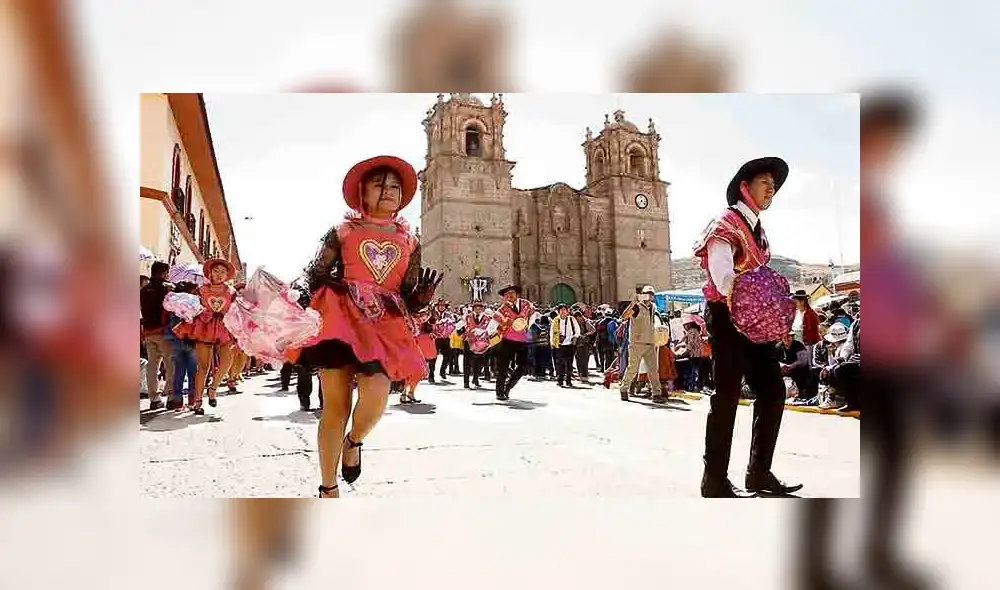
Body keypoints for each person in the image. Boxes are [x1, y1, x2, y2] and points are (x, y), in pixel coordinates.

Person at [289, 155, 441, 498]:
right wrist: (301, 302)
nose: (389, 191)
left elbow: (407, 292)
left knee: (376, 395)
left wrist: (421, 298)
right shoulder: (343, 230)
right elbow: (316, 271)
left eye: (395, 187)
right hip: (339, 317)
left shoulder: (411, 240)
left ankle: (354, 440)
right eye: (380, 185)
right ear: (363, 192)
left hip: (384, 323)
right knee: (335, 405)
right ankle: (328, 488)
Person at [693, 156, 802, 498]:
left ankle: (758, 473)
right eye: (765, 182)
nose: (772, 189)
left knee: (772, 391)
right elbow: (724, 278)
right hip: (727, 319)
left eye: (775, 185)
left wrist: (773, 315)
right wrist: (763, 297)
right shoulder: (724, 224)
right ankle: (714, 480)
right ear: (745, 186)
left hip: (755, 323)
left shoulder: (759, 232)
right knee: (726, 397)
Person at [172, 258, 238, 415]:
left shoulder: (232, 292)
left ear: (227, 275)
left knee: (227, 361)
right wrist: (200, 311)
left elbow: (236, 311)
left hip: (224, 328)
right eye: (216, 271)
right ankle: (197, 402)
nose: (220, 274)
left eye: (223, 272)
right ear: (210, 273)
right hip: (204, 328)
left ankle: (213, 388)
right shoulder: (201, 290)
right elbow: (192, 308)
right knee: (202, 367)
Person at [618, 285, 666, 403]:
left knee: (653, 370)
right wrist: (632, 304)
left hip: (650, 342)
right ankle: (624, 389)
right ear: (642, 294)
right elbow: (624, 316)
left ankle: (656, 394)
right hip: (637, 343)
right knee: (632, 369)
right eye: (646, 293)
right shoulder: (637, 307)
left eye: (651, 293)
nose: (649, 295)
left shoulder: (654, 308)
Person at [140, 261, 175, 410]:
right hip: (163, 331)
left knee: (153, 365)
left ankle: (154, 399)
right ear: (164, 273)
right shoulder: (167, 288)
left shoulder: (143, 289)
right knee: (170, 364)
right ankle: (171, 397)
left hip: (148, 332)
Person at [492, 285, 536, 400]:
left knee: (523, 367)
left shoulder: (526, 304)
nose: (510, 295)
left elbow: (534, 314)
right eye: (507, 294)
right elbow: (494, 322)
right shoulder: (502, 309)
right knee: (503, 367)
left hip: (523, 340)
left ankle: (508, 386)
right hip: (507, 340)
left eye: (512, 292)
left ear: (517, 294)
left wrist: (528, 325)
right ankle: (500, 392)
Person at [550, 303, 582, 387]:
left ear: (567, 311)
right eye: (561, 310)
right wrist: (552, 342)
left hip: (570, 344)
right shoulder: (556, 320)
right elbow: (551, 332)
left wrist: (575, 337)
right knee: (560, 363)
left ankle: (568, 380)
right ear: (558, 311)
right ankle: (560, 379)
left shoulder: (571, 319)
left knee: (569, 363)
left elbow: (577, 329)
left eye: (564, 310)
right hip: (559, 344)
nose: (563, 311)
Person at [463, 300, 491, 389]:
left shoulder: (487, 318)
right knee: (467, 362)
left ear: (482, 308)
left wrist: (479, 331)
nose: (478, 309)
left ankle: (475, 378)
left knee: (479, 362)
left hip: (481, 343)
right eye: (476, 307)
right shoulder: (468, 316)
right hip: (469, 341)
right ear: (473, 308)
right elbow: (465, 326)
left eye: (480, 307)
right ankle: (466, 381)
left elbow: (487, 328)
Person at [777, 332, 811, 399]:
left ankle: (801, 393)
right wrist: (782, 365)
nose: (787, 339)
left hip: (797, 368)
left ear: (792, 337)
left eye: (789, 336)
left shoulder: (798, 345)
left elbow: (803, 361)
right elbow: (774, 360)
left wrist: (791, 366)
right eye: (785, 337)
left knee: (801, 371)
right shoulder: (778, 346)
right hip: (784, 369)